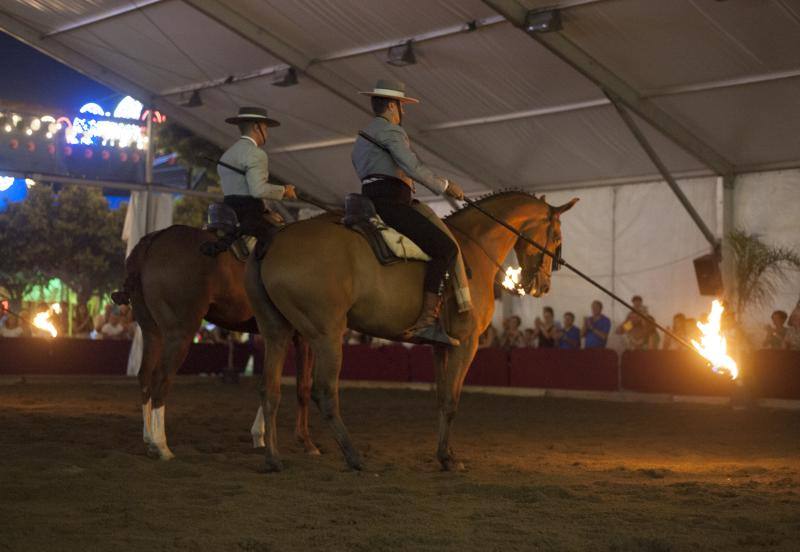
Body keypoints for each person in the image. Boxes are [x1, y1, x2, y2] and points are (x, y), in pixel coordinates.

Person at [351, 79, 467, 346]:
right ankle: (428, 321)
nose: (404, 111)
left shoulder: (361, 136)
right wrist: (446, 186)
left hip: (367, 199)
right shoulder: (392, 132)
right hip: (391, 203)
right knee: (445, 248)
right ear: (392, 106)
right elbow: (412, 166)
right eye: (402, 106)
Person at [215, 106, 297, 248]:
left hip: (228, 211)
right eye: (265, 129)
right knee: (285, 245)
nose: (267, 133)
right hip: (248, 215)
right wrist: (284, 191)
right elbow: (257, 190)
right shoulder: (256, 153)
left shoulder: (227, 154)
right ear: (256, 127)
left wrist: (266, 210)